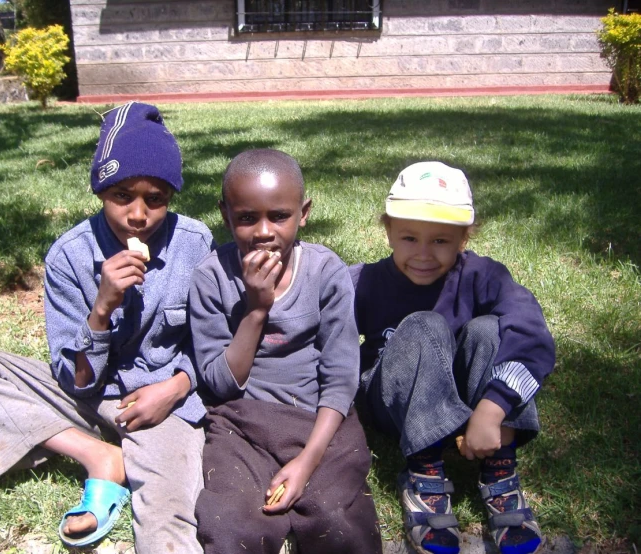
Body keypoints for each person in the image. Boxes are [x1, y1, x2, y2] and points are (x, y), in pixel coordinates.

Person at [0, 102, 213, 554]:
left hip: (162, 405)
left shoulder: (195, 242)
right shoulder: (70, 255)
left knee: (168, 519)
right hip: (87, 394)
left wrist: (176, 387)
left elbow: (212, 339)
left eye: (156, 199)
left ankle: (133, 460)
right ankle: (98, 455)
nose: (138, 214)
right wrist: (101, 309)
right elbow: (74, 377)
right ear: (100, 192)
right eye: (122, 196)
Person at [350, 161, 554, 554]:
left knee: (490, 330)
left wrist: (494, 408)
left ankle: (500, 470)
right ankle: (424, 476)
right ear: (388, 230)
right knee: (425, 325)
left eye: (441, 241)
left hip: (470, 402)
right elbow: (316, 323)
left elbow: (532, 332)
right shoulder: (366, 282)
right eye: (409, 238)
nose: (423, 254)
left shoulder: (484, 275)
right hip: (394, 403)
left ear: (464, 238)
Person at [189, 149, 383, 554]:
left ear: (304, 212)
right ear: (225, 216)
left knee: (337, 520)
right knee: (231, 525)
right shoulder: (213, 278)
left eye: (279, 216)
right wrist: (256, 308)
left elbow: (340, 377)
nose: (263, 231)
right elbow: (220, 383)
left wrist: (307, 462)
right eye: (246, 218)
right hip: (243, 423)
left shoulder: (324, 272)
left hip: (319, 421)